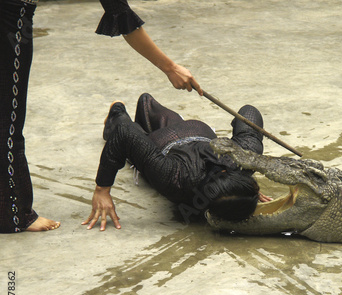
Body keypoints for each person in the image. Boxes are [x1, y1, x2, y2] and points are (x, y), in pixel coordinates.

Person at [0, 0, 199, 233]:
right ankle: (13, 214)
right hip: (9, 17)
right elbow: (120, 14)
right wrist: (171, 68)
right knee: (7, 124)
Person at [82, 93, 270, 231]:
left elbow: (248, 111)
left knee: (146, 104)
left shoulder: (242, 160)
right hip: (165, 139)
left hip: (191, 130)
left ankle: (136, 107)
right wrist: (102, 190)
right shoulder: (174, 178)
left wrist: (244, 181)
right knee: (120, 126)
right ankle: (119, 111)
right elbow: (124, 133)